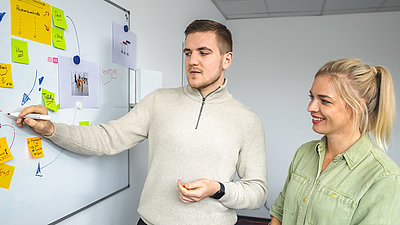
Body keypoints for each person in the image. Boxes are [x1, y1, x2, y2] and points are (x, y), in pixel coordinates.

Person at [16, 19, 267, 225]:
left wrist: (218, 189)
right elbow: (106, 138)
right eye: (188, 52)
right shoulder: (159, 101)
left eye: (204, 53)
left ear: (227, 59)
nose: (192, 61)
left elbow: (257, 192)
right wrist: (51, 129)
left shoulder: (247, 120)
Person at [269, 58, 400, 225]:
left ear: (358, 107)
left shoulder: (384, 177)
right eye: (312, 97)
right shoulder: (304, 153)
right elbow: (279, 214)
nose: (311, 107)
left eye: (324, 101)